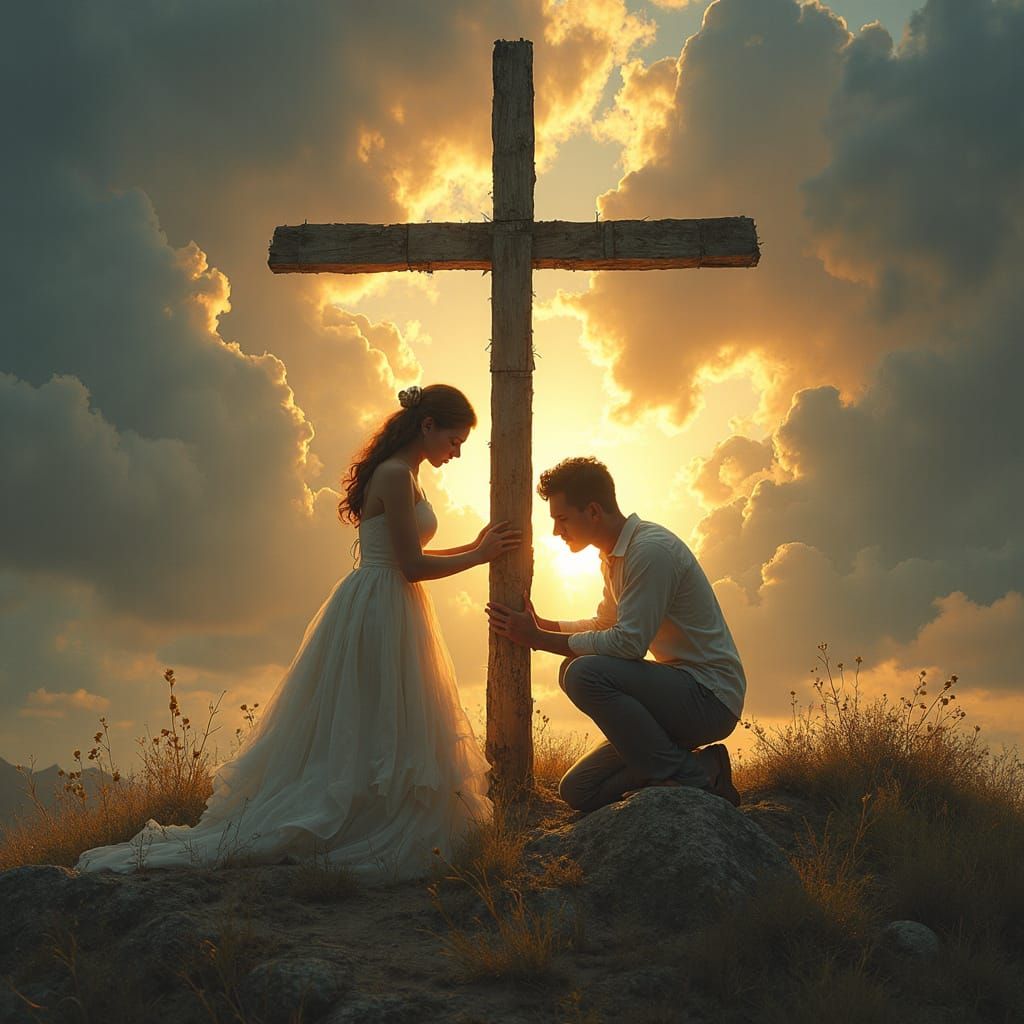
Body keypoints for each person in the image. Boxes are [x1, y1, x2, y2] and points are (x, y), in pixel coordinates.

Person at [77, 384, 520, 880]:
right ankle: (350, 818)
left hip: (389, 599)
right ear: (427, 426)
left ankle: (374, 805)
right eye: (455, 439)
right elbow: (410, 566)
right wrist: (479, 556)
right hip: (380, 604)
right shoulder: (395, 475)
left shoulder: (409, 475)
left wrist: (473, 545)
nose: (457, 451)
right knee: (373, 711)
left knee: (383, 713)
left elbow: (403, 556)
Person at [486, 456, 744, 812]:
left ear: (593, 511)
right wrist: (543, 625)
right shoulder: (613, 556)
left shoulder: (650, 551)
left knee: (581, 673)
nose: (556, 532)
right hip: (673, 699)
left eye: (562, 519)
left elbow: (628, 643)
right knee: (579, 790)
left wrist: (540, 641)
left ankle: (690, 778)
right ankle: (705, 766)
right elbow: (605, 624)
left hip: (708, 698)